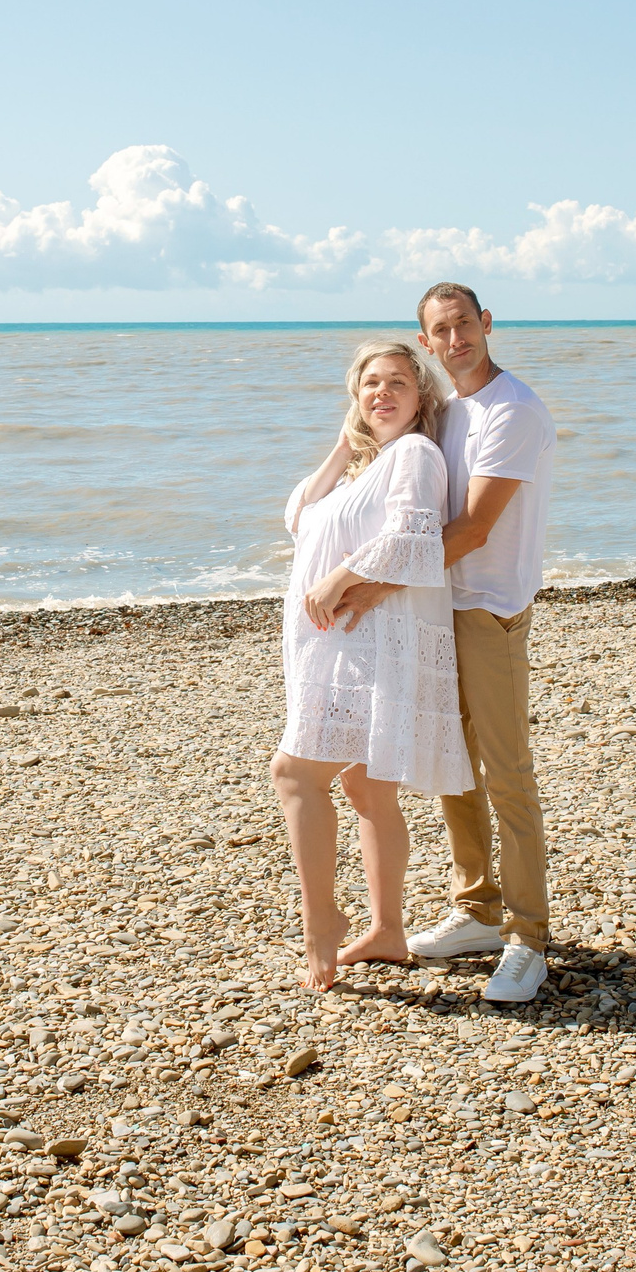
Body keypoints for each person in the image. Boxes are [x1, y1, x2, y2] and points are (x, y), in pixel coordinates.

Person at [271, 340, 473, 993]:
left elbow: (415, 534)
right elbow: (298, 515)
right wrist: (343, 440)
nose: (381, 393)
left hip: (367, 643)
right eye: (369, 385)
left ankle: (319, 918)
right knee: (365, 786)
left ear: (422, 399)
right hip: (334, 645)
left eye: (396, 384)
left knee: (295, 771)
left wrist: (338, 578)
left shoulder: (414, 453)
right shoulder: (366, 462)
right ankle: (388, 929)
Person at [399, 281, 559, 1004]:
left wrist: (368, 581)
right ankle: (477, 908)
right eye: (441, 330)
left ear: (486, 323)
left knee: (506, 772)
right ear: (426, 341)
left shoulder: (513, 408)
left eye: (464, 323)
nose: (456, 338)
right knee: (450, 763)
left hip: (489, 608)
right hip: (438, 602)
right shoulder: (443, 413)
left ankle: (528, 936)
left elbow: (472, 528)